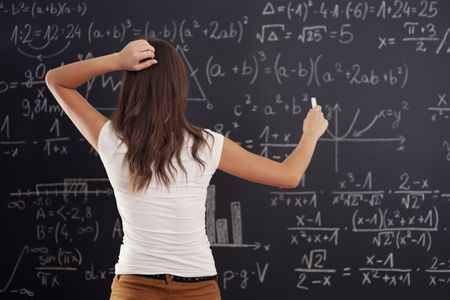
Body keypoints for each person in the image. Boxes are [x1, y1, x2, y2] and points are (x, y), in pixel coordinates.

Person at [45, 37, 328, 300]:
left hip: (134, 286)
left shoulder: (112, 140)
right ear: (178, 87)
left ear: (130, 86)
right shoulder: (206, 144)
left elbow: (56, 81)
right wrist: (310, 134)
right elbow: (288, 176)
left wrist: (118, 60)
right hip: (198, 287)